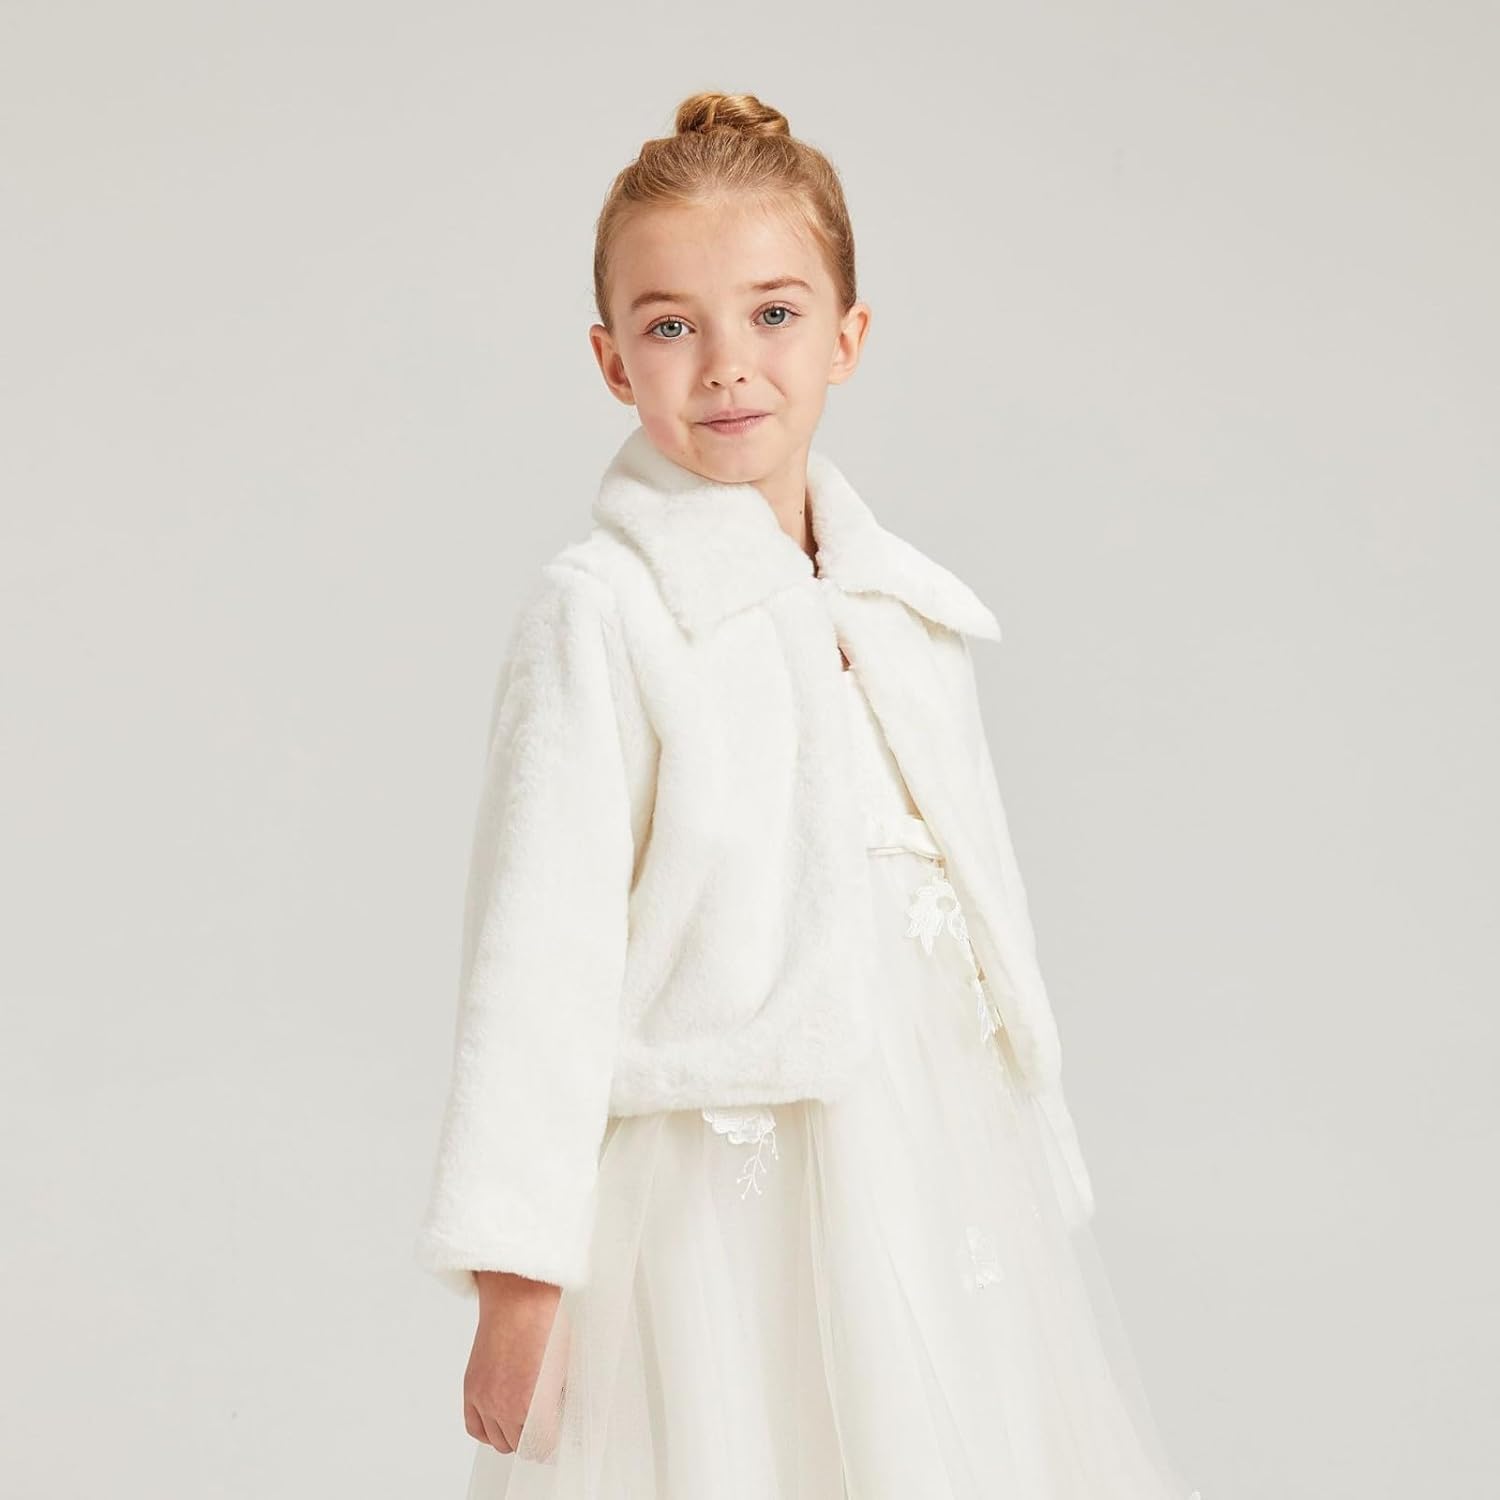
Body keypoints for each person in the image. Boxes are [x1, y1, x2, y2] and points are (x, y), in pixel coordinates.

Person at [416, 89, 1204, 1500]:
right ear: (611, 361)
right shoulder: (605, 613)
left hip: (934, 1169)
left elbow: (986, 923)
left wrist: (1033, 1155)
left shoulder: (904, 613)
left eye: (774, 314)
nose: (728, 363)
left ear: (847, 335)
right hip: (719, 1204)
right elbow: (535, 958)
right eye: (671, 325)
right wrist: (517, 1273)